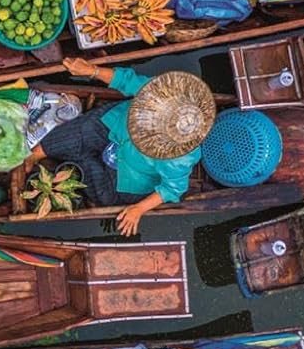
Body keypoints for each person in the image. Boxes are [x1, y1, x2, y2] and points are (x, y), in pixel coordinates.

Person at [24, 59, 216, 236]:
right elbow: (128, 81)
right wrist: (91, 70)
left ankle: (76, 158)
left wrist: (139, 209)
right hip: (114, 125)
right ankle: (40, 152)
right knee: (85, 128)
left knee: (105, 195)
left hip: (127, 174)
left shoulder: (179, 157)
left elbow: (172, 189)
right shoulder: (164, 93)